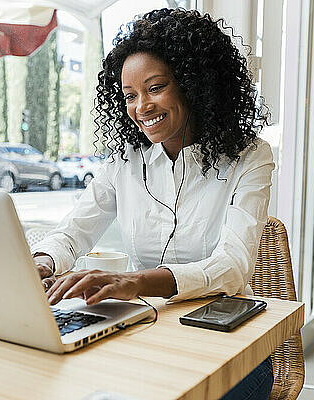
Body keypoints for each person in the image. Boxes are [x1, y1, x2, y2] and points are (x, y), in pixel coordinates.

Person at [31, 8, 274, 400]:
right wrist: (43, 262)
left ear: (193, 84)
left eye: (156, 87)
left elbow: (232, 267)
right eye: (130, 96)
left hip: (228, 345)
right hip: (146, 331)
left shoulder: (250, 158)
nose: (141, 106)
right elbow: (73, 233)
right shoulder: (125, 162)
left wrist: (135, 281)